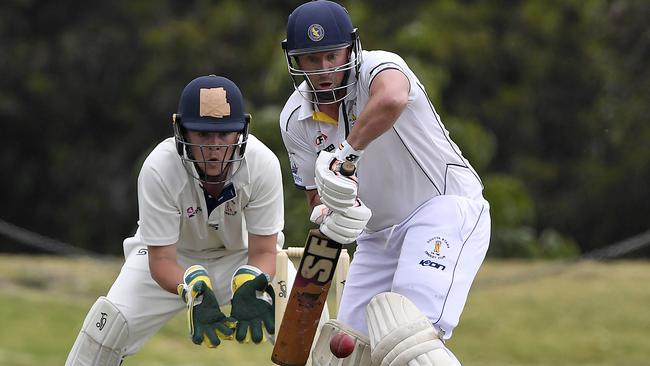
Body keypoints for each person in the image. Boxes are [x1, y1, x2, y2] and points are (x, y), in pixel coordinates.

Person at [278, 1, 491, 365]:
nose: (325, 69)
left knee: (405, 336)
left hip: (443, 207)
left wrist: (346, 152)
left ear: (351, 47)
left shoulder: (378, 67)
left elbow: (392, 98)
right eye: (312, 59)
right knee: (346, 352)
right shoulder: (294, 119)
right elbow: (317, 198)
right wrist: (334, 214)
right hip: (376, 236)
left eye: (332, 55)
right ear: (296, 60)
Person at [66, 75, 284, 365]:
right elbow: (161, 261)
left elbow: (265, 252)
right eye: (203, 134)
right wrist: (190, 287)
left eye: (225, 133)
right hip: (174, 260)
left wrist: (250, 282)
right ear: (181, 131)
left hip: (242, 257)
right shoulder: (160, 168)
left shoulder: (262, 163)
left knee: (304, 322)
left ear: (241, 131)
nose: (215, 146)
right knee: (105, 331)